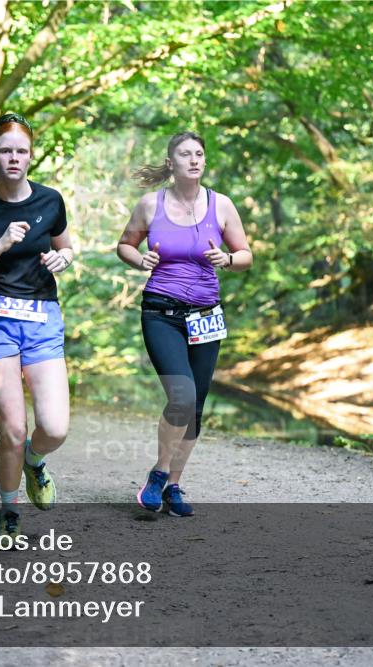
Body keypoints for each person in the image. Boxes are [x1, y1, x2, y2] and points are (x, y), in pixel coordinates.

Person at [116, 131, 253, 517]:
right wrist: (137, 260)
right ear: (171, 162)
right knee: (182, 394)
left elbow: (246, 254)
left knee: (196, 405)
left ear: (203, 162)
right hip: (162, 310)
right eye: (185, 154)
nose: (193, 160)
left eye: (199, 154)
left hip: (207, 314)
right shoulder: (150, 204)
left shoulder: (221, 205)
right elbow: (125, 244)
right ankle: (159, 474)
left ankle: (174, 485)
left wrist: (227, 260)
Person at [0, 113, 74, 540]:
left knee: (55, 427)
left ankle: (35, 463)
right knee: (14, 429)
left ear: (30, 156)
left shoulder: (50, 201)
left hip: (42, 316)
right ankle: (9, 510)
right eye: (5, 150)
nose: (13, 158)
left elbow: (65, 247)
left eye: (21, 151)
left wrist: (66, 258)